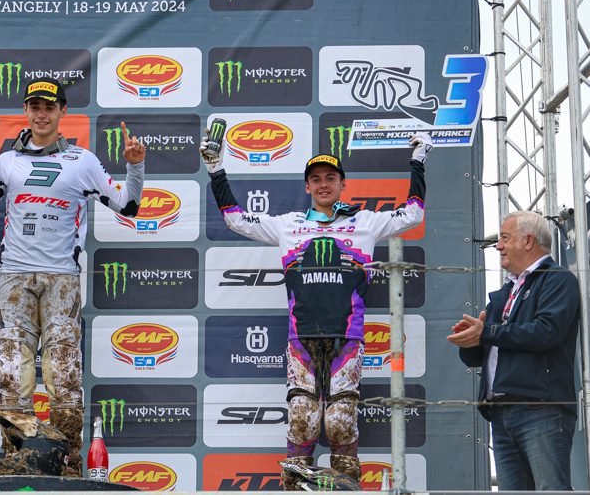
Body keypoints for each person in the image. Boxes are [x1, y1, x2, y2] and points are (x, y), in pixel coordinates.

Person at [0, 78, 144, 477]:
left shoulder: (83, 161)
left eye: (49, 107)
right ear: (25, 111)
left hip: (62, 279)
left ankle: (66, 465)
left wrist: (135, 165)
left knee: (63, 374)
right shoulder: (7, 162)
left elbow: (129, 207)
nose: (41, 114)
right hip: (14, 279)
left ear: (63, 112)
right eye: (35, 106)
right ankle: (17, 460)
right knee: (13, 374)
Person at [201, 131, 432, 488]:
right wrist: (216, 170)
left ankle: (346, 489)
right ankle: (295, 487)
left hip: (347, 339)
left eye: (330, 178)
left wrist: (418, 162)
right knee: (302, 419)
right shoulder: (288, 224)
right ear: (307, 187)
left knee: (340, 421)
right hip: (301, 340)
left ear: (343, 184)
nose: (323, 184)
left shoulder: (365, 222)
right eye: (316, 179)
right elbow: (236, 219)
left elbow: (413, 214)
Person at [448, 211, 579, 491]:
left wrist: (487, 332)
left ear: (528, 241)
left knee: (551, 489)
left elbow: (547, 331)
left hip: (541, 408)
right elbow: (485, 352)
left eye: (505, 238)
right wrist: (470, 340)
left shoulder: (557, 279)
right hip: (501, 411)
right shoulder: (505, 292)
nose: (498, 246)